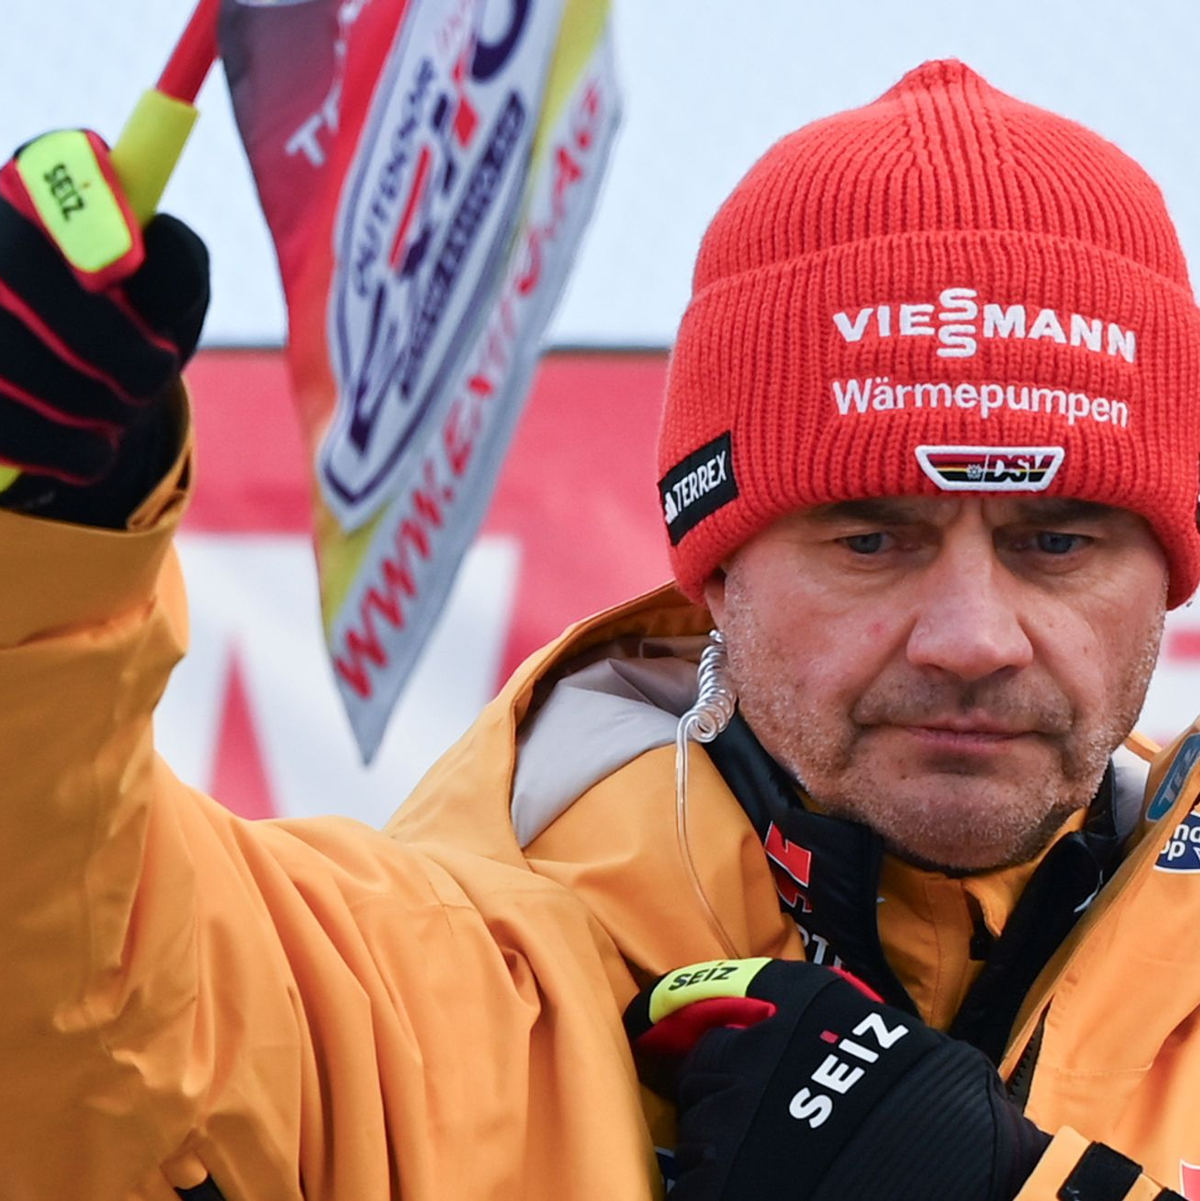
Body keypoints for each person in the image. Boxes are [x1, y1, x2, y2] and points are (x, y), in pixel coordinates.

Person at [0, 57, 1197, 1201]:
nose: (973, 637)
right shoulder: (430, 997)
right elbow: (70, 988)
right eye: (870, 541)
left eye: (1057, 541)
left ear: (1168, 574)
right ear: (715, 573)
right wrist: (41, 529)